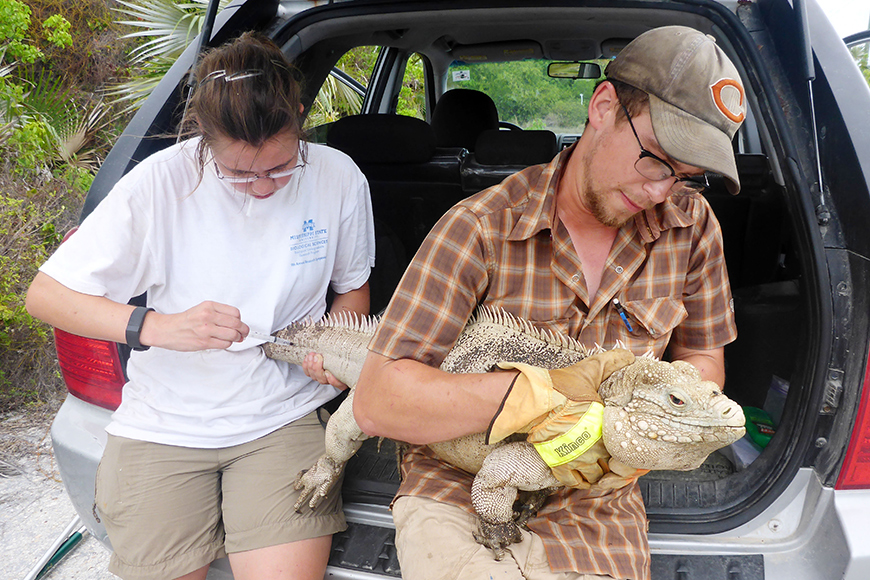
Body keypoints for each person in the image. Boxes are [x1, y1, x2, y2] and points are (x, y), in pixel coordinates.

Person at [353, 25, 745, 580]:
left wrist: (633, 432)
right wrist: (541, 396)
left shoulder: (692, 225)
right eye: (657, 160)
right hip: (463, 481)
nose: (662, 191)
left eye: (687, 177)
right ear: (604, 107)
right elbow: (379, 402)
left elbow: (705, 363)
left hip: (601, 496)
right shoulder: (479, 227)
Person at [25, 32, 375, 580]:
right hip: (163, 423)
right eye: (239, 174)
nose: (262, 188)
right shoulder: (159, 183)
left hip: (280, 416)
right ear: (204, 141)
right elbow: (46, 296)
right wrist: (155, 326)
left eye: (281, 168)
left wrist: (332, 350)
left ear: (302, 119)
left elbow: (352, 287)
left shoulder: (338, 176)